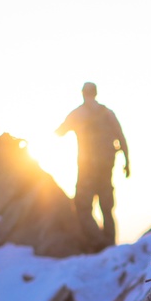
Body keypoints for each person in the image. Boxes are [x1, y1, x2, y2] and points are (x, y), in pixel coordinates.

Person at [55, 82, 130, 247]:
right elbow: (121, 137)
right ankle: (109, 242)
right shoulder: (107, 113)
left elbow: (60, 132)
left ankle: (97, 242)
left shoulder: (78, 113)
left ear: (83, 93)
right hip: (107, 165)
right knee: (106, 206)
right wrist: (127, 162)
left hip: (87, 167)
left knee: (82, 205)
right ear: (96, 93)